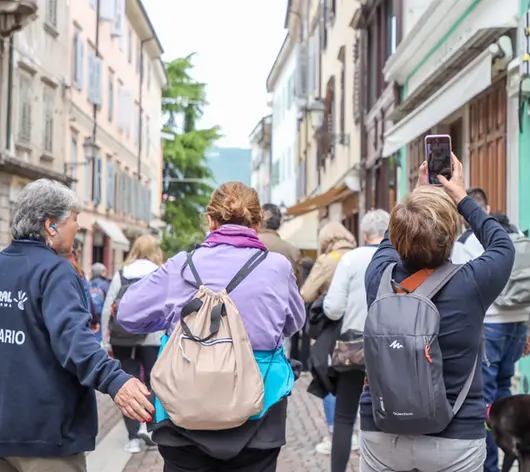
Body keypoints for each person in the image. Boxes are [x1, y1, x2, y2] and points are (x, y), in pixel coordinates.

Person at [115, 181, 306, 472]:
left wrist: (172, 320)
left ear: (210, 219)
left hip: (183, 413)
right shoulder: (277, 267)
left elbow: (127, 313)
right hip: (258, 410)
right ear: (257, 223)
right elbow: (294, 321)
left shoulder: (182, 265)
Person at [359, 155, 515, 472]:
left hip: (381, 429)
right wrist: (460, 196)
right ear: (453, 234)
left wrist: (417, 196)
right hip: (454, 437)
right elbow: (502, 244)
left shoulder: (378, 278)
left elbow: (392, 238)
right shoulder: (472, 282)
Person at [0, 179, 154, 472]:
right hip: (46, 436)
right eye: (74, 219)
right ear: (50, 225)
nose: (79, 227)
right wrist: (115, 380)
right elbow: (73, 338)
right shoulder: (55, 271)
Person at [451, 188, 530, 472]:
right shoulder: (515, 234)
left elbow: (462, 288)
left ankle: (489, 466)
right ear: (486, 207)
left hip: (490, 327)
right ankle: (512, 460)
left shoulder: (467, 242)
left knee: (485, 403)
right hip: (518, 326)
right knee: (505, 396)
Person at [322, 209, 390, 471]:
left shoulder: (350, 260)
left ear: (364, 233)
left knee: (344, 417)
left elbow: (333, 309)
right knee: (386, 417)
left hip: (354, 349)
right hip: (389, 349)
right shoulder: (398, 257)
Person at [101, 235, 165, 454]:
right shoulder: (159, 272)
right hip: (152, 337)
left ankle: (133, 436)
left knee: (126, 382)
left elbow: (107, 306)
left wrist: (105, 339)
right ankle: (149, 428)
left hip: (122, 336)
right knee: (152, 382)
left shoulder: (122, 273)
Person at [300, 221, 356, 456]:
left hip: (331, 327)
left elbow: (306, 293)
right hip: (357, 324)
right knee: (355, 379)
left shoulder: (328, 259)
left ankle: (336, 434)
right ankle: (353, 432)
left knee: (329, 378)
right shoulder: (357, 255)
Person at [258, 203, 302, 283]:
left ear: (259, 222)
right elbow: (296, 285)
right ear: (279, 223)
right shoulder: (292, 251)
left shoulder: (248, 243)